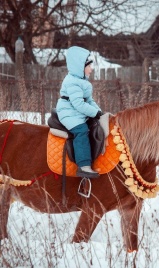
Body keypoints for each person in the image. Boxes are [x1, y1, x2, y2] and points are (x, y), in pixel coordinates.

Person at [56, 46, 102, 178]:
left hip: (76, 111)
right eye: (89, 66)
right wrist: (94, 113)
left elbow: (89, 101)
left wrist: (99, 112)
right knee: (81, 130)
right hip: (68, 112)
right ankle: (83, 166)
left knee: (95, 124)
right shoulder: (72, 81)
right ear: (80, 66)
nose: (91, 69)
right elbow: (78, 104)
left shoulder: (82, 81)